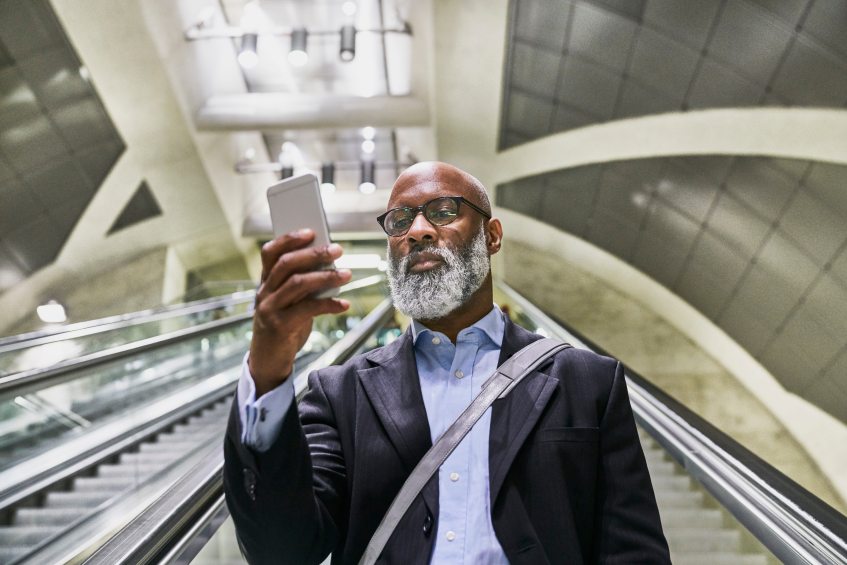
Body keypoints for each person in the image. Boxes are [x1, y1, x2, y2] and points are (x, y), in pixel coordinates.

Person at [224, 162, 671, 564]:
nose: (417, 230)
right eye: (399, 220)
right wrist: (268, 370)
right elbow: (282, 550)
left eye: (443, 211)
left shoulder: (586, 381)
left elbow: (633, 551)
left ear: (491, 236)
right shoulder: (341, 393)